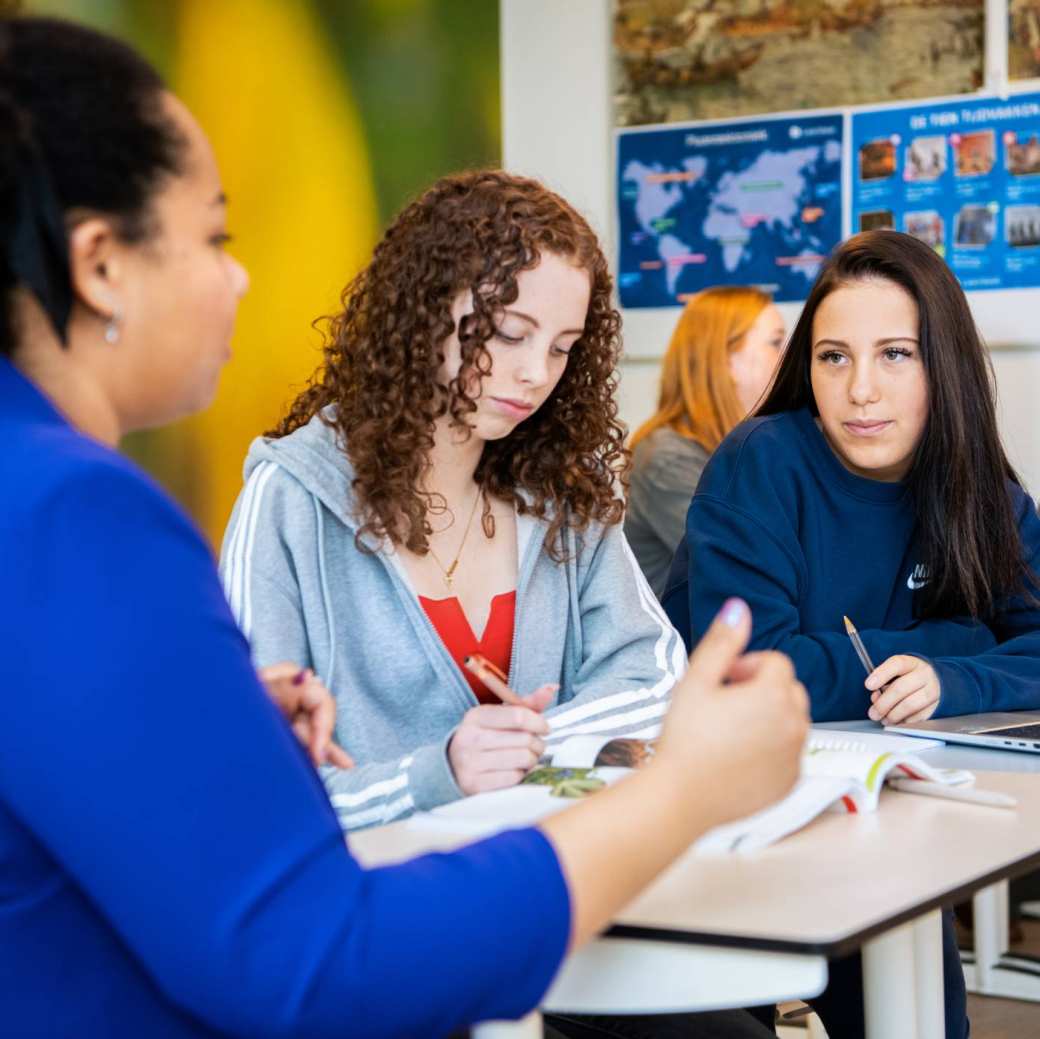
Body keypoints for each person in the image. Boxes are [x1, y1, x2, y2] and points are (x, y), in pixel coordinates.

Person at [0, 13, 809, 1039]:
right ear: (101, 263)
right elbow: (308, 959)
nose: (243, 274)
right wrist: (681, 793)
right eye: (214, 236)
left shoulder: (38, 496)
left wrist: (235, 738)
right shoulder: (85, 513)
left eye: (557, 345)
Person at [220, 170, 688, 833]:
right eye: (508, 332)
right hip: (374, 907)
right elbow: (249, 781)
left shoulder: (561, 491)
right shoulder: (290, 498)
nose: (535, 374)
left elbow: (660, 679)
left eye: (562, 348)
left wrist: (529, 740)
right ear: (425, 307)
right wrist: (437, 771)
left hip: (549, 881)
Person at [665, 229, 1040, 1039]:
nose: (860, 390)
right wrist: (957, 637)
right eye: (833, 356)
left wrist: (955, 679)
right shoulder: (762, 461)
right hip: (725, 821)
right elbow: (755, 675)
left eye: (896, 354)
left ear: (944, 365)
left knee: (929, 1027)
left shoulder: (981, 489)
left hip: (882, 815)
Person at [625, 287, 785, 596]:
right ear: (726, 359)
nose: (789, 356)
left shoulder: (752, 443)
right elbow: (745, 565)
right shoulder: (666, 457)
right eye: (776, 342)